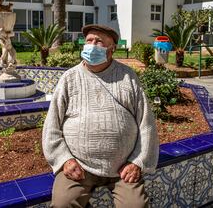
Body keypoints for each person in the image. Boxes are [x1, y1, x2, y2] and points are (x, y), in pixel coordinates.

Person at [42, 24, 159, 208]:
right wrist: (64, 159)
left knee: (135, 205)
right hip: (80, 167)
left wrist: (137, 161)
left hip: (122, 170)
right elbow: (51, 126)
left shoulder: (127, 77)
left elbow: (146, 124)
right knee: (63, 203)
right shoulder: (69, 78)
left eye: (99, 41)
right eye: (89, 40)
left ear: (111, 50)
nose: (92, 45)